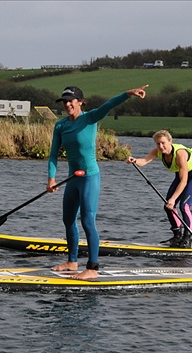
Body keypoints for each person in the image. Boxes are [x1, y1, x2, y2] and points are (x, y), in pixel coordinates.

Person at [48, 85, 149, 280]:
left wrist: (128, 94)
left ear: (80, 102)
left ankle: (93, 268)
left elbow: (109, 105)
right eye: (64, 101)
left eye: (71, 101)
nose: (67, 104)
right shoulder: (60, 126)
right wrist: (51, 178)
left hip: (89, 178)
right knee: (68, 220)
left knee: (87, 221)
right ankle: (72, 262)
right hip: (72, 179)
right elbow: (53, 154)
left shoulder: (90, 118)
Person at [126, 130, 192, 248]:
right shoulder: (157, 151)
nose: (161, 146)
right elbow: (144, 161)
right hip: (180, 177)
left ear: (170, 141)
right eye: (158, 143)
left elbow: (184, 181)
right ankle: (177, 237)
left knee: (184, 206)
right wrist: (135, 160)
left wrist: (173, 199)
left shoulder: (180, 154)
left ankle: (187, 238)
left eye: (163, 143)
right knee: (168, 206)